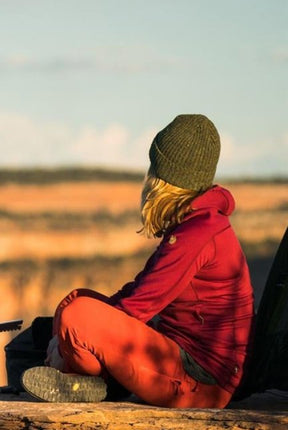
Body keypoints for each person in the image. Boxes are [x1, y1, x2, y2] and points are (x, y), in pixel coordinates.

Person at [21, 114, 254, 408]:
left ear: (165, 177)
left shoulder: (199, 233)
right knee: (74, 301)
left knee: (77, 317)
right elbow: (138, 289)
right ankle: (90, 377)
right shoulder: (194, 223)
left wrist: (70, 340)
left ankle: (77, 375)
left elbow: (138, 306)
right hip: (178, 360)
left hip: (201, 383)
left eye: (153, 167)